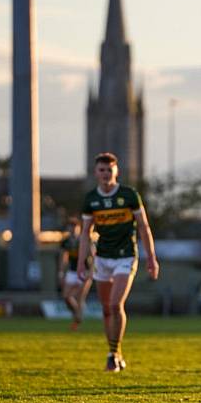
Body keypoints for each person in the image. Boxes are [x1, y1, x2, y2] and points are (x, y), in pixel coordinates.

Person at [77, 152, 159, 372]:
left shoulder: (129, 195)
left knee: (115, 304)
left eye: (109, 169)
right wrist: (81, 262)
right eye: (102, 170)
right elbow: (86, 232)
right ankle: (115, 351)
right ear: (96, 173)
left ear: (116, 171)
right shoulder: (91, 199)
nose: (106, 174)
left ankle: (113, 354)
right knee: (105, 309)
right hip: (102, 258)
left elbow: (143, 226)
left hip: (125, 256)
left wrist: (151, 257)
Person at [59, 217, 92, 331]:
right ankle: (78, 316)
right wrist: (61, 272)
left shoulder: (85, 239)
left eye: (75, 227)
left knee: (79, 297)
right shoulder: (66, 241)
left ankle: (76, 322)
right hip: (72, 271)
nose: (73, 229)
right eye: (71, 227)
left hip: (84, 271)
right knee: (66, 296)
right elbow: (63, 258)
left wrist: (91, 272)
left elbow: (93, 256)